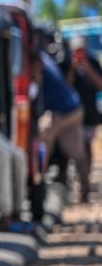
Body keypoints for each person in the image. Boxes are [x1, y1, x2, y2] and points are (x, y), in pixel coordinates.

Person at [40, 51, 89, 201]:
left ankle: (40, 182)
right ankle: (81, 188)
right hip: (72, 108)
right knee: (76, 152)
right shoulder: (45, 59)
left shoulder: (42, 65)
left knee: (47, 137)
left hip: (69, 111)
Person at [64, 36, 102, 195]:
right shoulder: (67, 64)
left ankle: (84, 181)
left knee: (87, 148)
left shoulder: (92, 63)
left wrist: (86, 68)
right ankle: (80, 182)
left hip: (90, 114)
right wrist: (73, 69)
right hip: (72, 114)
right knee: (76, 151)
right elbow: (66, 87)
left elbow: (99, 84)